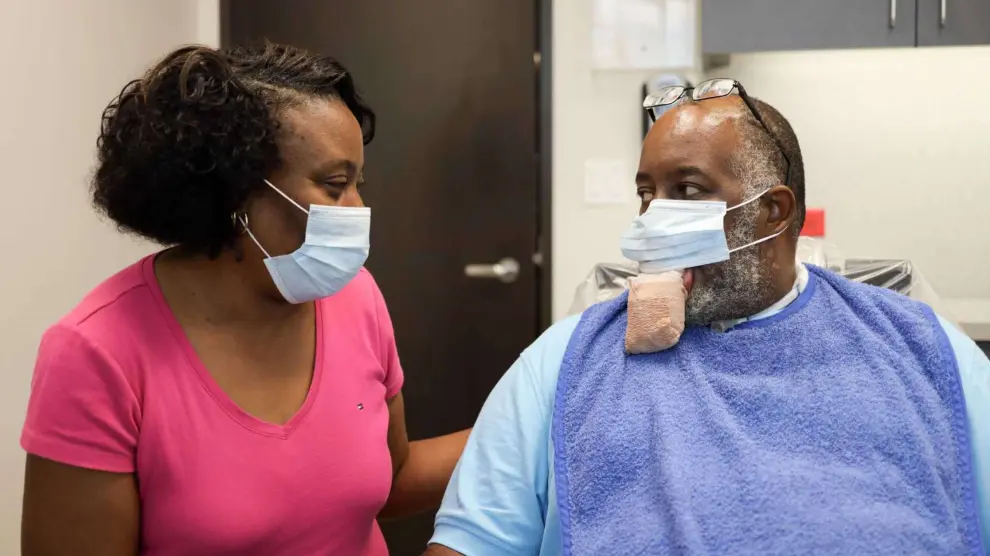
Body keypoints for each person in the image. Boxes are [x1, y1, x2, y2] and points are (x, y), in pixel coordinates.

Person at [425, 80, 990, 555]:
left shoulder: (923, 351)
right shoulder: (563, 361)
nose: (652, 218)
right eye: (646, 194)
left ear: (773, 212)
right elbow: (469, 541)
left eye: (687, 191)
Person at [20, 43, 469, 556]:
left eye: (356, 183)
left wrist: (530, 424)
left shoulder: (355, 296)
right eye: (335, 185)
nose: (358, 208)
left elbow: (392, 477)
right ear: (235, 192)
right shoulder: (96, 353)